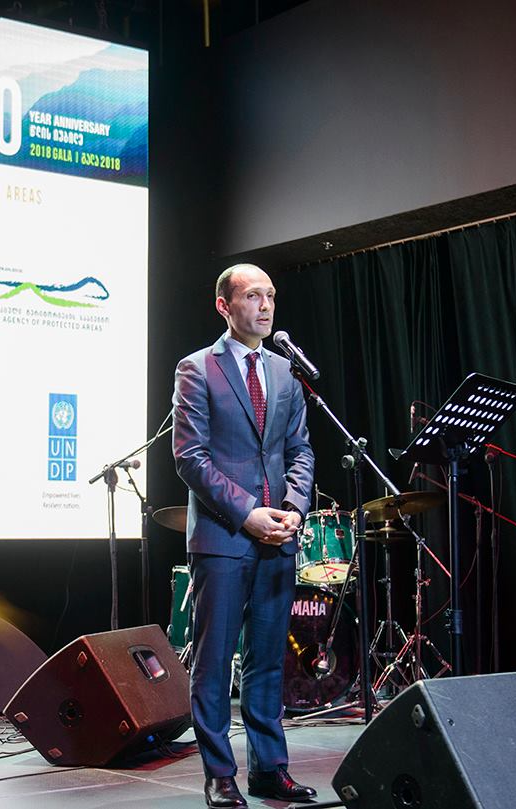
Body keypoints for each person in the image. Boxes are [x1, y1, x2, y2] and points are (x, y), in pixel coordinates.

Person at [172, 264, 317, 808]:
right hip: (223, 537)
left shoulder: (285, 372)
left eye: (270, 296)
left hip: (279, 537)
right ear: (224, 306)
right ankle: (219, 773)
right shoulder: (196, 368)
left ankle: (269, 770)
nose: (265, 305)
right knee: (214, 663)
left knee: (268, 662)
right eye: (253, 296)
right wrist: (248, 513)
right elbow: (190, 458)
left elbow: (300, 450)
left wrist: (293, 509)